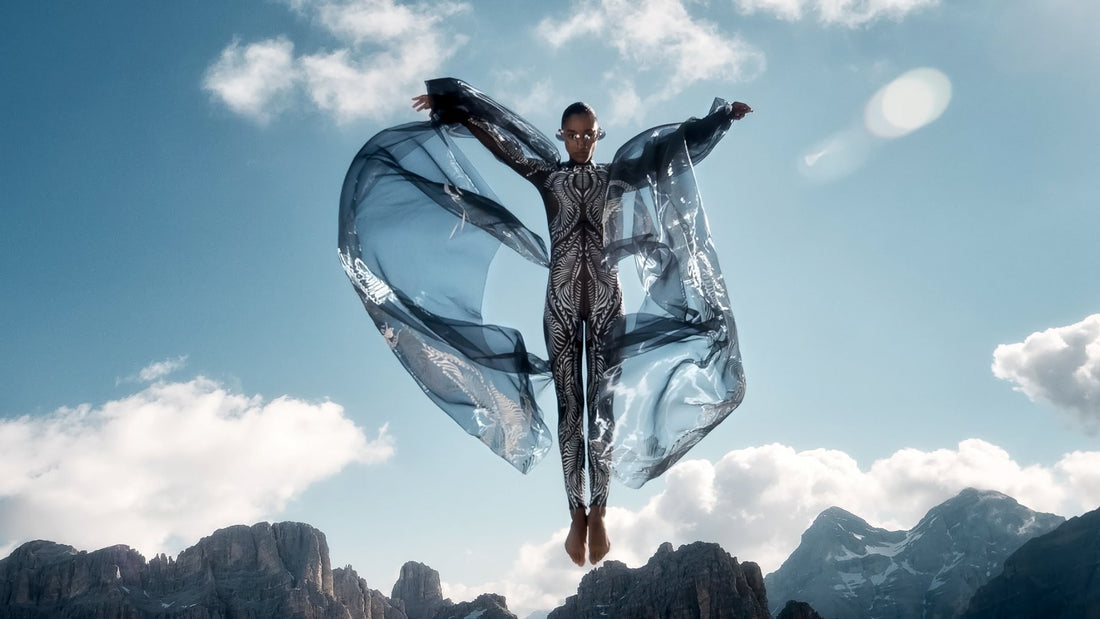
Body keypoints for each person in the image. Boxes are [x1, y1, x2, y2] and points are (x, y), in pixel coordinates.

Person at [338, 78, 749, 567]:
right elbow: (500, 143)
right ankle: (576, 511)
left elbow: (670, 151)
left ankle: (601, 510)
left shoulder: (618, 177)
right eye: (572, 135)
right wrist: (453, 106)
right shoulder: (546, 176)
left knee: (601, 406)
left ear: (599, 134)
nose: (580, 142)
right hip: (559, 302)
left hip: (606, 301)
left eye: (588, 134)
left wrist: (720, 119)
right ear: (561, 135)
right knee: (570, 406)